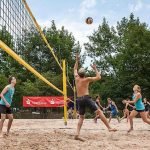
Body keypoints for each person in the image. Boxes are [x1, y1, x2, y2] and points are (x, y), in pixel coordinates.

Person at [74, 53, 117, 141]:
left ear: (78, 74)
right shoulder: (87, 79)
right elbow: (99, 77)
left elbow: (74, 68)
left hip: (79, 99)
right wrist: (95, 68)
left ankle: (77, 134)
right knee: (99, 112)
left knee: (81, 117)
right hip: (86, 98)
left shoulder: (76, 78)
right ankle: (109, 127)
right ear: (84, 74)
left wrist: (77, 60)